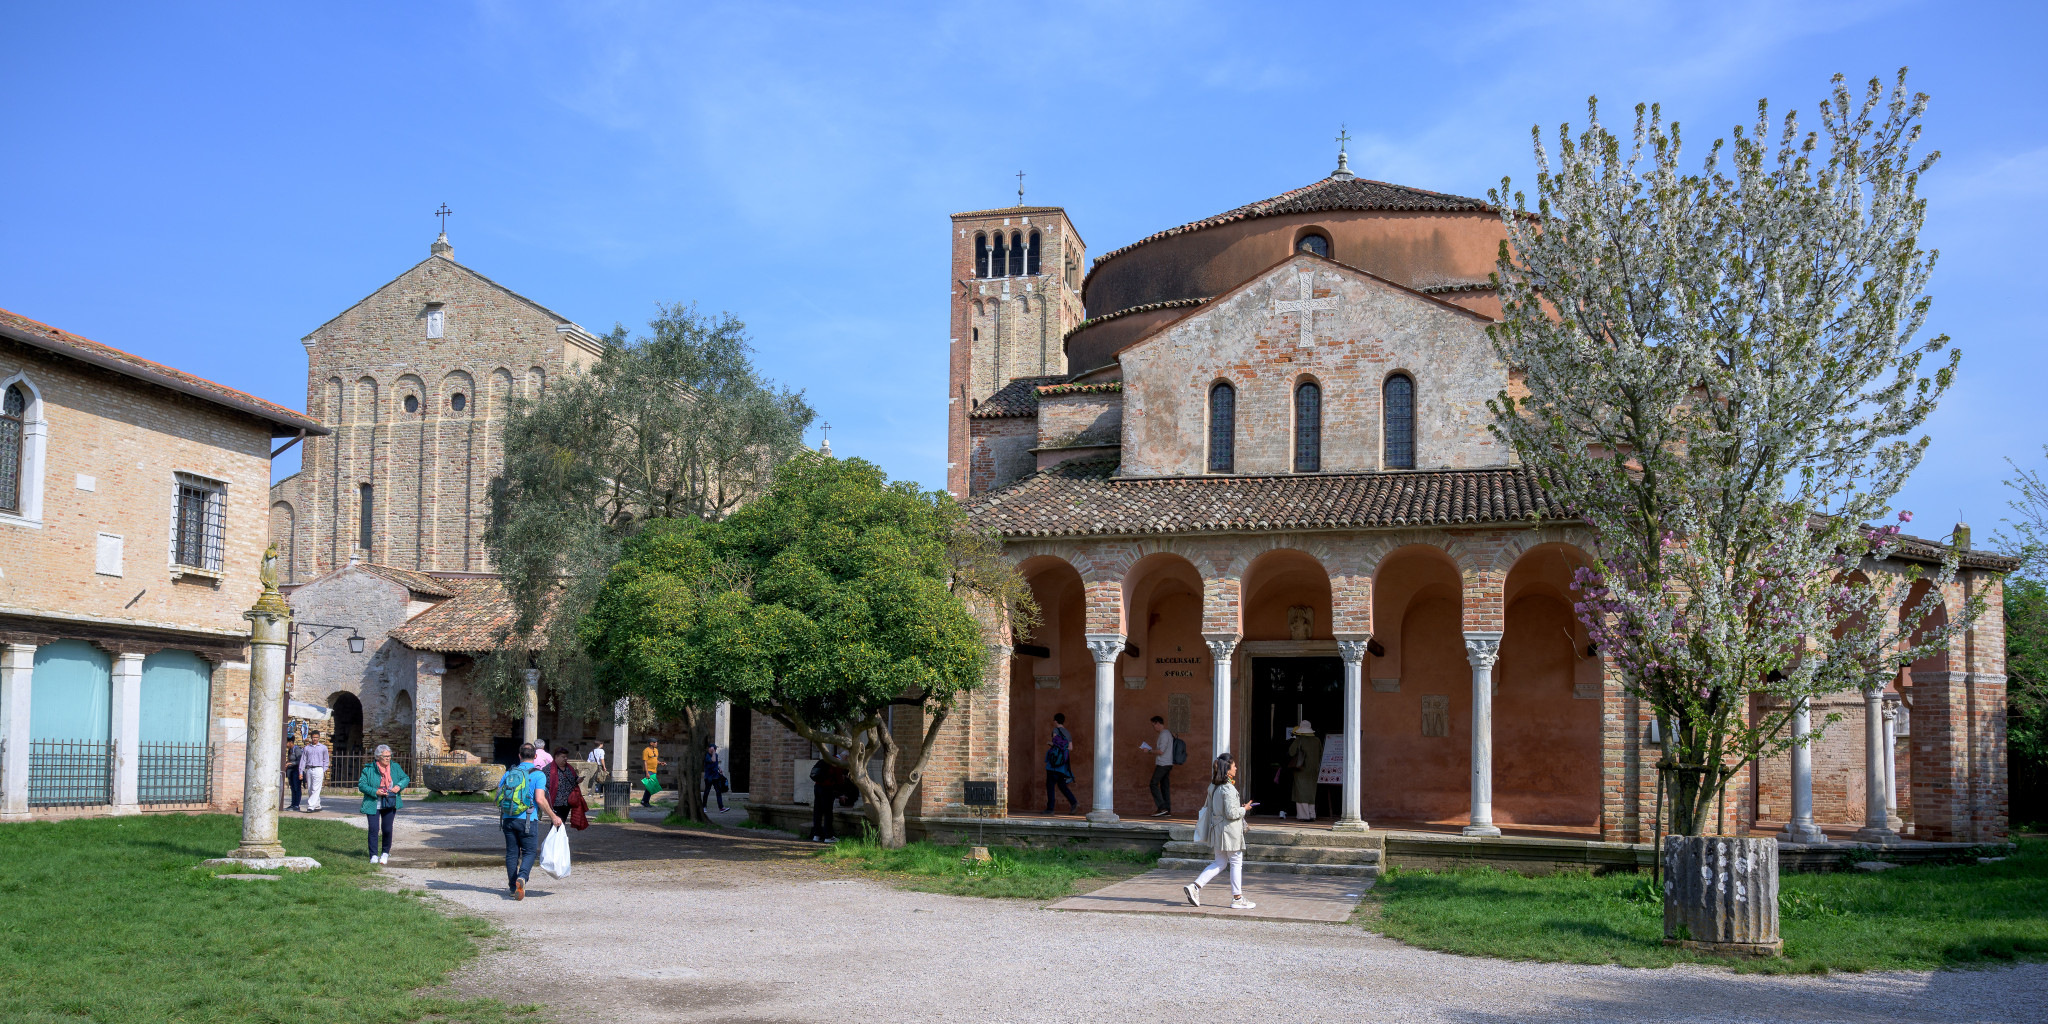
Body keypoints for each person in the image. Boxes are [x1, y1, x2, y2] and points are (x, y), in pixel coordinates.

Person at [1183, 753, 1256, 910]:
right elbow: (1231, 814)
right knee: (1236, 862)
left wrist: (1239, 808)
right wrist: (1244, 809)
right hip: (1230, 832)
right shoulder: (1228, 789)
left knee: (1220, 862)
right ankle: (1237, 898)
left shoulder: (1213, 786)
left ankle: (1195, 886)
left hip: (1217, 830)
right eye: (1234, 765)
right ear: (1227, 768)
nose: (1236, 768)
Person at [498, 742, 562, 900]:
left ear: (519, 756)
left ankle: (513, 887)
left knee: (512, 853)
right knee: (529, 852)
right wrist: (553, 816)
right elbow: (540, 800)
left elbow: (499, 795)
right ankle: (522, 877)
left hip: (508, 819)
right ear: (535, 756)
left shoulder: (510, 772)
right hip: (528, 819)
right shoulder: (538, 774)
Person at [358, 743, 410, 864]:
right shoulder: (368, 769)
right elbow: (362, 785)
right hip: (373, 803)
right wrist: (375, 791)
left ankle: (385, 853)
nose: (388, 758)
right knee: (373, 829)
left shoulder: (395, 767)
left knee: (387, 829)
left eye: (389, 756)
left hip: (390, 802)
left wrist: (399, 786)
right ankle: (373, 855)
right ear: (378, 757)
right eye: (385, 756)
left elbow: (405, 778)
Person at [1288, 720, 1324, 822]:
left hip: (1301, 770)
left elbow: (1291, 752)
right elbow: (1321, 754)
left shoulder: (1299, 740)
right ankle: (1312, 814)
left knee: (1301, 793)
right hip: (1313, 770)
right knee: (1311, 792)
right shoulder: (1317, 740)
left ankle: (1304, 816)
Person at [1140, 715, 1174, 816]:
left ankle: (1162, 807)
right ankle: (1167, 809)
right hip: (1168, 763)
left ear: (1158, 723)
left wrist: (1149, 751)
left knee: (1153, 784)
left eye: (1153, 725)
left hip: (1163, 763)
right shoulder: (1167, 733)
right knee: (1164, 786)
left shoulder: (1164, 734)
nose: (1153, 727)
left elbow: (1160, 751)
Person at [809, 756, 849, 843]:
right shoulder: (836, 763)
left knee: (817, 811)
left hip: (817, 787)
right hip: (827, 788)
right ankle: (828, 836)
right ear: (845, 757)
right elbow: (839, 779)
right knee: (828, 813)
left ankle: (817, 835)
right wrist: (841, 793)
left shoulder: (826, 759)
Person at [1043, 715, 1077, 815]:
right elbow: (1070, 748)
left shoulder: (1056, 730)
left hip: (1054, 763)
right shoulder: (1068, 733)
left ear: (1055, 721)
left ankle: (1050, 809)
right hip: (1063, 764)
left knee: (1050, 785)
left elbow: (1056, 743)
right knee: (1062, 785)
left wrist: (1049, 743)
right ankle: (1074, 802)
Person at [297, 732, 330, 812]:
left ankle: (310, 806)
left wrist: (323, 769)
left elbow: (326, 760)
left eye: (316, 737)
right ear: (311, 737)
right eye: (313, 737)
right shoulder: (307, 748)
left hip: (318, 768)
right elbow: (303, 760)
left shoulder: (323, 748)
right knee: (310, 788)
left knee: (315, 788)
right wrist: (301, 772)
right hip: (309, 769)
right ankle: (317, 805)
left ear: (319, 737)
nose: (315, 739)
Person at [703, 743, 729, 812]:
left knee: (718, 792)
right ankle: (704, 806)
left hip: (715, 776)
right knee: (707, 792)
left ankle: (721, 808)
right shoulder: (707, 756)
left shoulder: (716, 755)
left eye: (713, 749)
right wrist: (713, 752)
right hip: (708, 777)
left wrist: (719, 768)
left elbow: (715, 763)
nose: (711, 750)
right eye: (711, 749)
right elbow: (713, 760)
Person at [284, 734, 304, 812]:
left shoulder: (297, 749)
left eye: (286, 742)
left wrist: (290, 763)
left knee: (297, 788)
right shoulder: (290, 750)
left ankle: (296, 805)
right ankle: (293, 804)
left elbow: (300, 761)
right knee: (292, 788)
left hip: (296, 771)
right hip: (291, 771)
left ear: (290, 742)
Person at [640, 741, 662, 807]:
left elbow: (655, 759)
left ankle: (645, 801)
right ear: (651, 743)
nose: (656, 743)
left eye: (657, 742)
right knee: (650, 787)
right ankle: (644, 801)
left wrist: (660, 763)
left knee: (651, 787)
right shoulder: (646, 751)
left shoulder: (656, 750)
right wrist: (647, 773)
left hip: (654, 770)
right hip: (648, 770)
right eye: (655, 742)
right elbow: (645, 762)